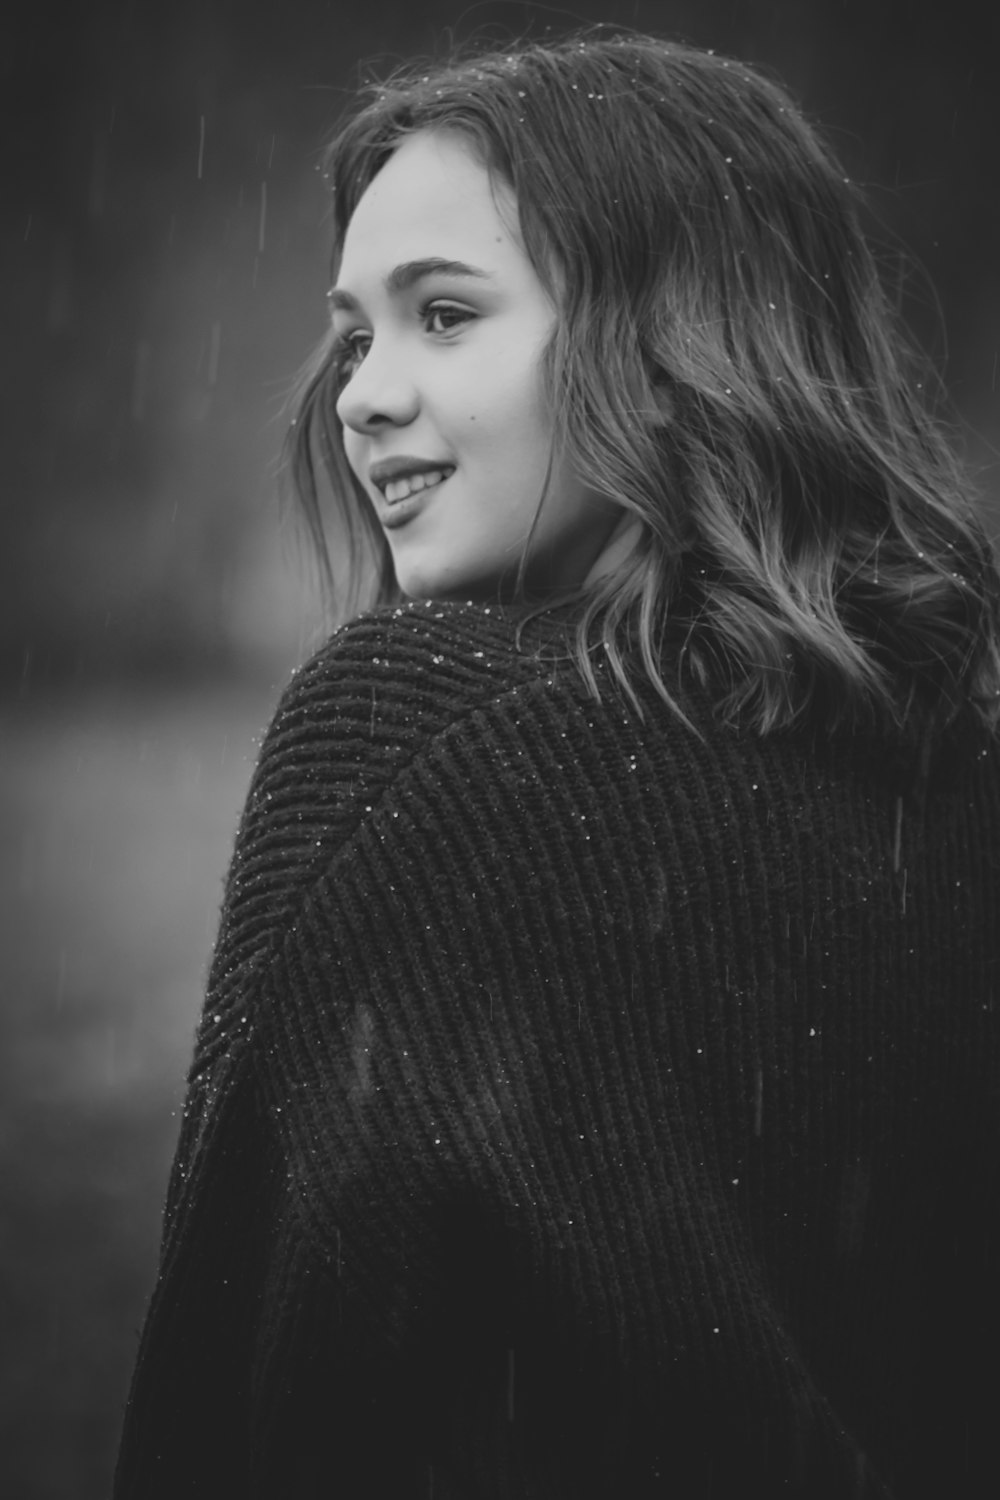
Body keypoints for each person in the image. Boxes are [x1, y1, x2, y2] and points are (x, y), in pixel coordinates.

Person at [114, 29, 1000, 1498]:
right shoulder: (953, 773)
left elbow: (245, 1380)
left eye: (444, 315)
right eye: (354, 334)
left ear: (672, 344)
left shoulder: (416, 725)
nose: (360, 397)